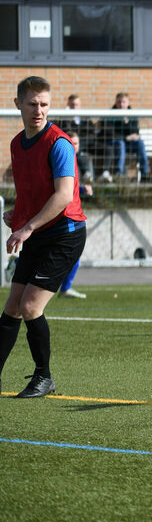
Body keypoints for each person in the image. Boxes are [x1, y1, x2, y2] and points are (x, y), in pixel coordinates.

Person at [0, 76, 87, 398]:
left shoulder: (59, 143)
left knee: (30, 307)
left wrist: (27, 227)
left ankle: (44, 377)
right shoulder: (17, 143)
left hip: (65, 234)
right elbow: (30, 192)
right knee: (12, 306)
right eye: (32, 104)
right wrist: (18, 216)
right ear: (18, 105)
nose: (39, 110)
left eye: (44, 104)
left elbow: (63, 196)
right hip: (39, 231)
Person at [57, 132, 93, 299]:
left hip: (73, 213)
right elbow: (60, 189)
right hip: (62, 214)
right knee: (49, 253)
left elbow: (70, 188)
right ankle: (17, 263)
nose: (74, 146)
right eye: (71, 142)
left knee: (73, 253)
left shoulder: (76, 160)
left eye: (77, 143)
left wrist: (82, 190)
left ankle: (65, 288)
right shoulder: (62, 158)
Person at [101, 92, 149, 182]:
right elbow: (109, 132)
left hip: (130, 144)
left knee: (140, 144)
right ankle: (119, 174)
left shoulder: (132, 115)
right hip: (114, 144)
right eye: (119, 102)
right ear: (116, 102)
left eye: (124, 102)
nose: (121, 104)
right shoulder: (110, 115)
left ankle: (145, 174)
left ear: (128, 103)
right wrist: (125, 138)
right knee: (121, 143)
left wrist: (127, 122)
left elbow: (135, 132)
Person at [56, 94, 97, 183]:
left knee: (107, 148)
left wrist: (81, 139)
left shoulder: (84, 116)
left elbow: (92, 132)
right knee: (74, 148)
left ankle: (105, 175)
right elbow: (66, 132)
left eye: (76, 105)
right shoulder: (65, 117)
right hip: (71, 143)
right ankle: (86, 173)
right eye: (72, 105)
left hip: (86, 143)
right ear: (68, 105)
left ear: (80, 105)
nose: (74, 107)